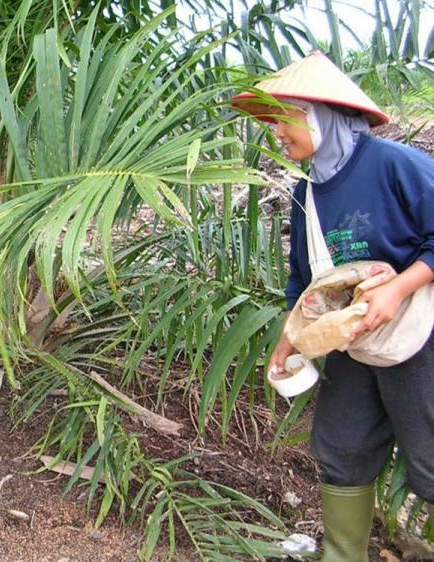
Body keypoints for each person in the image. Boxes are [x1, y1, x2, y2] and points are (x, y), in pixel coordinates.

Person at [231, 51, 434, 562]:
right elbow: (304, 279)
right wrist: (289, 337)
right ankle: (343, 555)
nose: (276, 134)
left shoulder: (397, 167)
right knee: (341, 448)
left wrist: (396, 288)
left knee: (431, 459)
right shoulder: (308, 192)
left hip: (418, 335)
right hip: (353, 342)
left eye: (281, 120)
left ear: (317, 113)